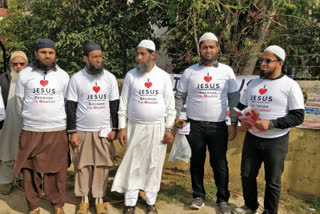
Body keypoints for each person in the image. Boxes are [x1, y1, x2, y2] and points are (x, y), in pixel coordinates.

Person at [234, 45, 305, 214]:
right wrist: (242, 121)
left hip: (276, 140)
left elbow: (298, 116)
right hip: (252, 137)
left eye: (268, 60)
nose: (263, 64)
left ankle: (269, 211)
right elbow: (240, 107)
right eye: (262, 60)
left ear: (280, 63)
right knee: (247, 175)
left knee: (272, 180)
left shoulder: (290, 86)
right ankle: (250, 206)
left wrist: (271, 123)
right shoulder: (253, 83)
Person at [175, 32, 240, 214]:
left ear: (217, 49)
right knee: (196, 161)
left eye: (212, 47)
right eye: (205, 47)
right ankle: (198, 195)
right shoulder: (190, 72)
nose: (208, 50)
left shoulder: (227, 72)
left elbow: (234, 98)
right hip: (194, 125)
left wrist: (233, 122)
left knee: (220, 163)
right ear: (200, 50)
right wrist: (177, 117)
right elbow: (180, 96)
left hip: (218, 126)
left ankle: (222, 199)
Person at [111, 40, 176, 214]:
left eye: (143, 54)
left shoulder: (163, 77)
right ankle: (130, 203)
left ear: (152, 55)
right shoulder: (131, 76)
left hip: (157, 128)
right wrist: (122, 127)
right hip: (134, 127)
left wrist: (169, 128)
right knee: (134, 164)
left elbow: (170, 104)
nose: (139, 58)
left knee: (153, 165)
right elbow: (123, 103)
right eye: (137, 54)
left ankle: (150, 202)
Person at [13, 39, 70, 214]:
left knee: (57, 169)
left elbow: (67, 102)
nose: (47, 56)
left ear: (55, 55)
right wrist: (31, 120)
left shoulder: (63, 76)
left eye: (50, 53)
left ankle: (57, 204)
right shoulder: (25, 74)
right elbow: (19, 102)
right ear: (36, 53)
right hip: (31, 130)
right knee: (30, 169)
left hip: (57, 129)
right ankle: (34, 206)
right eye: (43, 52)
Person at [66, 42, 119, 214]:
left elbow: (114, 106)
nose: (98, 60)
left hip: (103, 131)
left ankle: (99, 199)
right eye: (94, 57)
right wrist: (72, 131)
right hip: (82, 131)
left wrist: (115, 128)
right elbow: (71, 107)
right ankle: (83, 200)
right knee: (82, 165)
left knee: (102, 166)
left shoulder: (109, 78)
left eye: (100, 57)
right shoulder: (76, 79)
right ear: (85, 59)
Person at [0, 51, 28, 194]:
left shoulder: (32, 79)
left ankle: (23, 179)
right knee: (6, 151)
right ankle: (5, 180)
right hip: (7, 123)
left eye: (21, 64)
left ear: (26, 64)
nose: (18, 67)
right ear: (11, 65)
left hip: (27, 123)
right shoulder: (3, 79)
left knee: (26, 152)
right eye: (15, 64)